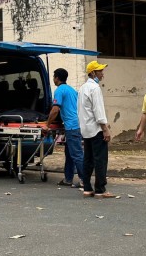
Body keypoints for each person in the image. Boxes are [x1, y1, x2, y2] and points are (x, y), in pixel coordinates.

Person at [77, 60, 113, 198]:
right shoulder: (95, 88)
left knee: (88, 158)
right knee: (100, 159)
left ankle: (87, 187)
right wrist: (105, 128)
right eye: (100, 71)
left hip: (85, 129)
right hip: (96, 128)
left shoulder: (82, 88)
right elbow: (98, 111)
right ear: (93, 73)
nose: (102, 74)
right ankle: (100, 189)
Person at [45, 68, 84, 188]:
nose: (53, 79)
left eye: (53, 77)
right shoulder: (72, 90)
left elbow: (55, 109)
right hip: (75, 124)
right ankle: (68, 179)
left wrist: (47, 124)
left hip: (72, 126)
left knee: (76, 154)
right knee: (70, 153)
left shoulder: (59, 90)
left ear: (56, 78)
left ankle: (84, 180)